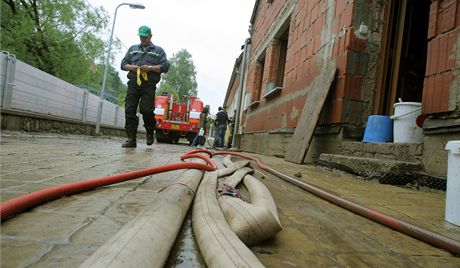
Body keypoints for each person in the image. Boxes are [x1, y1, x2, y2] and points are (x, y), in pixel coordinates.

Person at [120, 25, 170, 148]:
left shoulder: (158, 51)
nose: (143, 39)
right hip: (133, 83)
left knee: (146, 110)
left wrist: (150, 68)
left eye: (145, 36)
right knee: (130, 110)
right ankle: (131, 139)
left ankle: (149, 130)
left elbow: (165, 67)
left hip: (149, 84)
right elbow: (123, 64)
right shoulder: (133, 49)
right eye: (141, 36)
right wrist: (132, 67)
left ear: (150, 36)